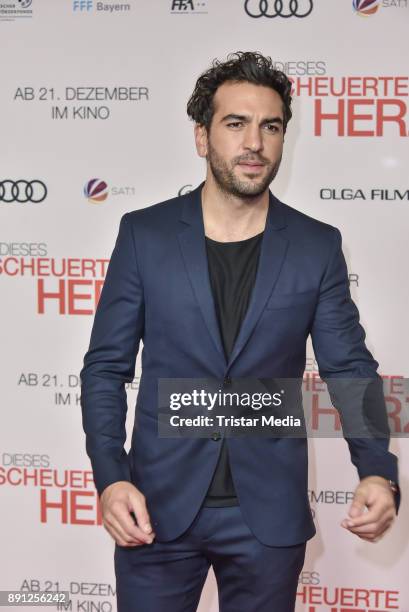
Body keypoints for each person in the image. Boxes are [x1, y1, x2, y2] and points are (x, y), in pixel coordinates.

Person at [80, 51, 400, 612]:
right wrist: (110, 477)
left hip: (267, 518)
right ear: (202, 137)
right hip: (156, 509)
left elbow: (348, 367)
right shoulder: (144, 236)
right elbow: (106, 367)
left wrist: (377, 469)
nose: (254, 142)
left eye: (270, 126)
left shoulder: (315, 245)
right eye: (235, 124)